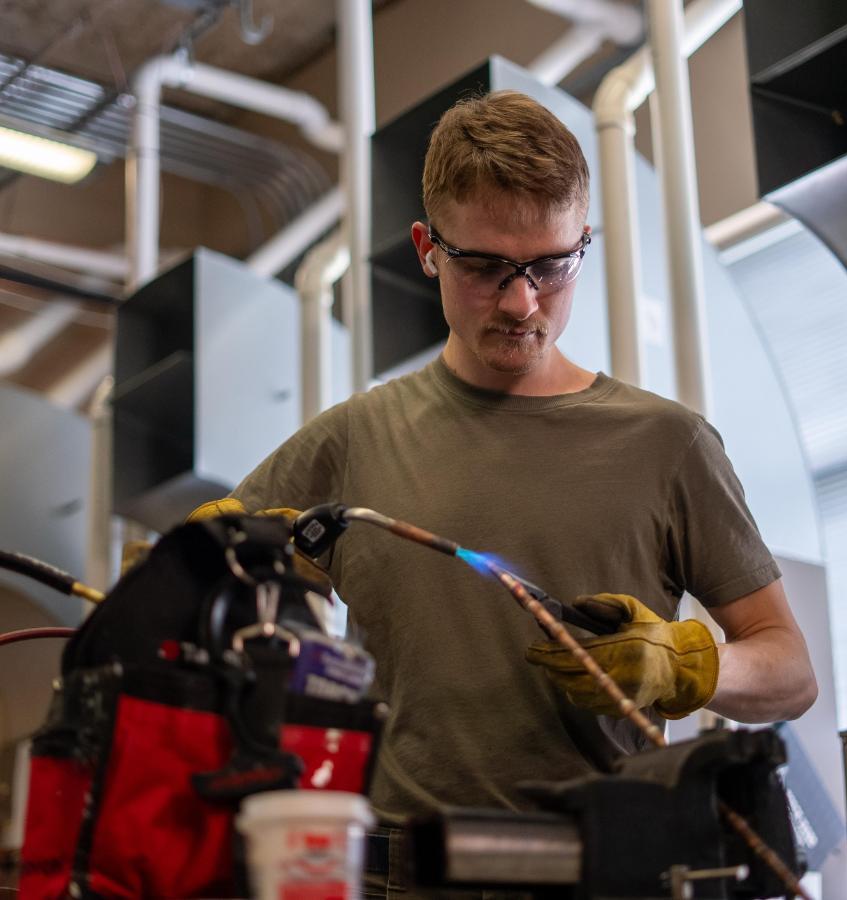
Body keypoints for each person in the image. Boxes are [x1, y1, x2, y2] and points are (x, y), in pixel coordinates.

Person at [227, 90, 816, 894]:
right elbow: (223, 608)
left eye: (550, 265)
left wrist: (692, 662)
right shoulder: (349, 443)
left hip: (613, 869)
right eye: (486, 268)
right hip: (403, 878)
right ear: (428, 248)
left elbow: (789, 670)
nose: (522, 301)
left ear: (586, 244)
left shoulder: (667, 446)